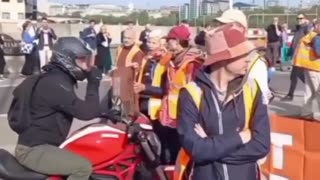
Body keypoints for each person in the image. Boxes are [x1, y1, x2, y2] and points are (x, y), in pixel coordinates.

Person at [13, 37, 118, 180]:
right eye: (82, 60)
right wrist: (93, 83)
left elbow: (76, 106)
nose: (87, 66)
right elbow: (86, 113)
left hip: (44, 145)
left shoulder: (58, 78)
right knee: (82, 167)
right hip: (34, 149)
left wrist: (105, 112)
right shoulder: (55, 83)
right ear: (66, 59)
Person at [175, 23, 270, 180]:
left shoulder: (252, 89)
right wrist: (240, 138)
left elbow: (261, 145)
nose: (249, 60)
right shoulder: (191, 93)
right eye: (242, 55)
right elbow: (196, 150)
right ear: (223, 59)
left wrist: (211, 147)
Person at [158, 25, 203, 164]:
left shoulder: (192, 64)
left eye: (169, 40)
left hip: (185, 118)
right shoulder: (173, 61)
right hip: (171, 117)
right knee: (170, 152)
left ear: (177, 41)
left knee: (181, 155)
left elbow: (196, 92)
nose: (166, 43)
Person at [134, 29, 170, 163]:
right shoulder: (146, 59)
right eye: (148, 41)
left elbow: (166, 89)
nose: (149, 45)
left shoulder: (167, 61)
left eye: (153, 42)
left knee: (162, 142)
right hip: (144, 107)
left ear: (162, 43)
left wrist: (145, 88)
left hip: (159, 110)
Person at [293, 19, 320, 120]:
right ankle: (306, 113)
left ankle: (306, 113)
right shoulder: (316, 37)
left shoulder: (311, 36)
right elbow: (318, 52)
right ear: (317, 26)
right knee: (318, 91)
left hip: (310, 67)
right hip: (315, 68)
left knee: (309, 91)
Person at [281, 14, 311, 101]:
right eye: (298, 18)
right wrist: (290, 52)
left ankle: (291, 95)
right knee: (295, 75)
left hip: (301, 55)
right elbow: (294, 41)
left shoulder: (306, 28)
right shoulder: (299, 28)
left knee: (298, 75)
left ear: (305, 19)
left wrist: (308, 24)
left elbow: (309, 38)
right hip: (296, 54)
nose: (299, 20)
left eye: (301, 18)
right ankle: (290, 95)